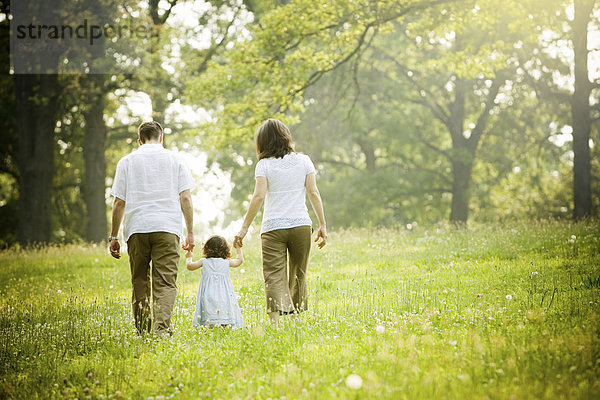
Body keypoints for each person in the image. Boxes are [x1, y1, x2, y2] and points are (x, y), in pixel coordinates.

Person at [234, 118, 327, 326]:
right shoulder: (304, 160)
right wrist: (322, 225)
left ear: (262, 142)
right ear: (286, 136)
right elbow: (313, 192)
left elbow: (258, 197)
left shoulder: (263, 165)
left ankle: (274, 323)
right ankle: (295, 321)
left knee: (274, 274)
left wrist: (243, 229)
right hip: (301, 224)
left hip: (273, 227)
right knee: (298, 273)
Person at [109, 121, 195, 335]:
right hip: (167, 228)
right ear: (161, 137)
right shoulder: (175, 160)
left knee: (139, 280)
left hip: (137, 228)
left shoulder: (127, 162)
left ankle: (143, 331)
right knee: (165, 282)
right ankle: (162, 330)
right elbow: (185, 197)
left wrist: (113, 236)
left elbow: (119, 202)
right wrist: (190, 232)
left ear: (140, 140)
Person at [186, 235, 244, 328]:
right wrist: (238, 248)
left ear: (206, 248)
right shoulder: (226, 262)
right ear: (226, 249)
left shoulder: (204, 261)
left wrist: (189, 256)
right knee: (224, 310)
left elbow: (190, 266)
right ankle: (224, 326)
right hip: (224, 294)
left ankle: (209, 327)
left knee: (208, 310)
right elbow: (239, 261)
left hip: (208, 293)